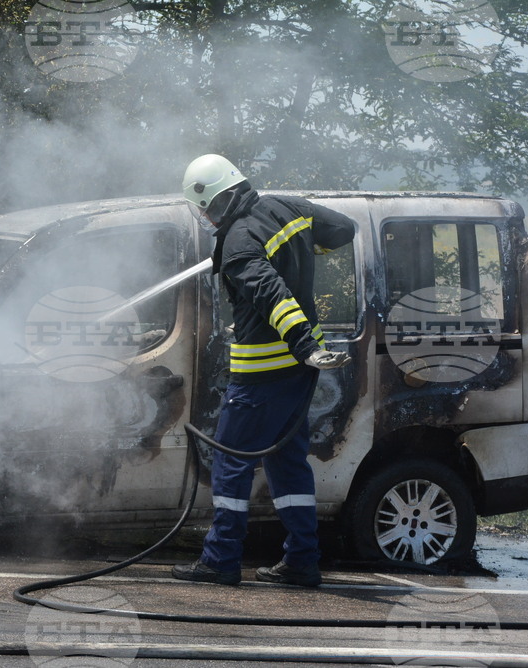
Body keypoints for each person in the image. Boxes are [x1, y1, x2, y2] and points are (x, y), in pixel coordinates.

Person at [172, 154, 356, 587]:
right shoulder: (284, 206)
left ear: (214, 201)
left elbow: (272, 293)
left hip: (262, 371)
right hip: (296, 373)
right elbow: (343, 230)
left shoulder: (236, 242)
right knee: (287, 462)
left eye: (203, 208)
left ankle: (220, 560)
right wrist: (305, 252)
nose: (203, 217)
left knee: (231, 462)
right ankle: (302, 561)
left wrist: (303, 343)